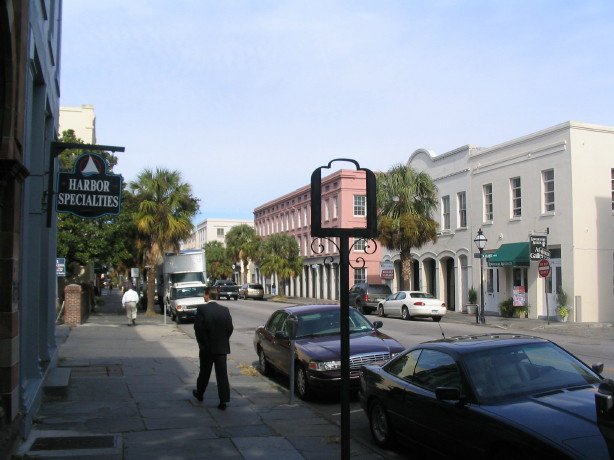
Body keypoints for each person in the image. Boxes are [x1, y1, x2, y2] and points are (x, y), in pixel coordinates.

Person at [192, 287, 234, 410]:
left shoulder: (202, 309)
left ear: (206, 296)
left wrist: (202, 343)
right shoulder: (224, 310)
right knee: (222, 374)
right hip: (221, 347)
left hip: (207, 347)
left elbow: (198, 328)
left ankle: (200, 394)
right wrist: (224, 339)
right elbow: (230, 328)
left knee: (205, 372)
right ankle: (223, 401)